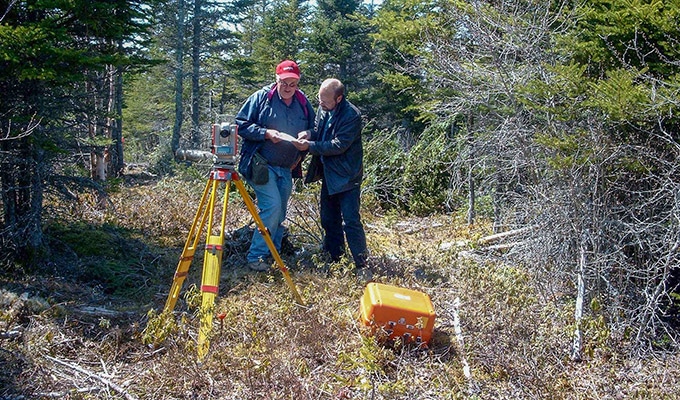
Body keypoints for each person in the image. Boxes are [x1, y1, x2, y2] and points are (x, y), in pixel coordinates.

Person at [235, 60, 316, 271]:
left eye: (293, 83)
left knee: (280, 214)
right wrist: (266, 134)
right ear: (276, 79)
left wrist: (306, 135)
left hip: (287, 167)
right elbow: (240, 124)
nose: (288, 87)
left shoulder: (302, 102)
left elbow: (314, 128)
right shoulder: (261, 98)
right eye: (284, 82)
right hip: (261, 164)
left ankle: (274, 253)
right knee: (272, 207)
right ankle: (256, 257)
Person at [292, 78, 369, 277]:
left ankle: (362, 265)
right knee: (328, 219)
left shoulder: (351, 115)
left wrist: (309, 146)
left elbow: (338, 145)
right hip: (329, 174)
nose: (321, 104)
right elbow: (319, 131)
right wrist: (309, 134)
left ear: (339, 98)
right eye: (319, 99)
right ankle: (335, 258)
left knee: (351, 221)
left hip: (347, 176)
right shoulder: (323, 108)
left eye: (325, 101)